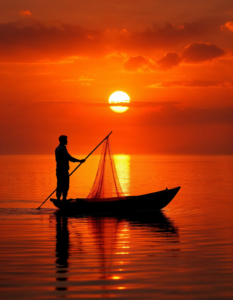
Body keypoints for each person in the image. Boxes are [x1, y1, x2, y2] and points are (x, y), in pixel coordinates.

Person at [55, 135, 85, 201]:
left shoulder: (58, 148)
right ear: (62, 140)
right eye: (66, 140)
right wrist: (79, 161)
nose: (67, 141)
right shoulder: (62, 148)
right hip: (63, 170)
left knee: (60, 184)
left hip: (59, 170)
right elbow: (68, 157)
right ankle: (63, 199)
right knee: (65, 185)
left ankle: (59, 199)